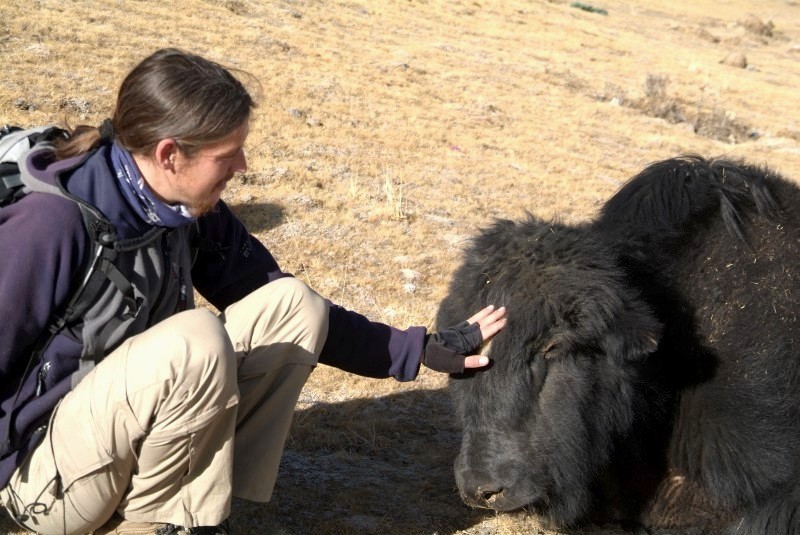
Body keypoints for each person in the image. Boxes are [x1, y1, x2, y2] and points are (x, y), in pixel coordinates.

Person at [0, 48, 507, 535]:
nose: (242, 165)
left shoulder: (185, 210)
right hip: (42, 484)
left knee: (292, 305)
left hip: (117, 445)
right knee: (195, 340)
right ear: (169, 154)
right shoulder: (52, 224)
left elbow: (278, 300)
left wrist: (415, 350)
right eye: (227, 153)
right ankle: (165, 522)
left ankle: (188, 505)